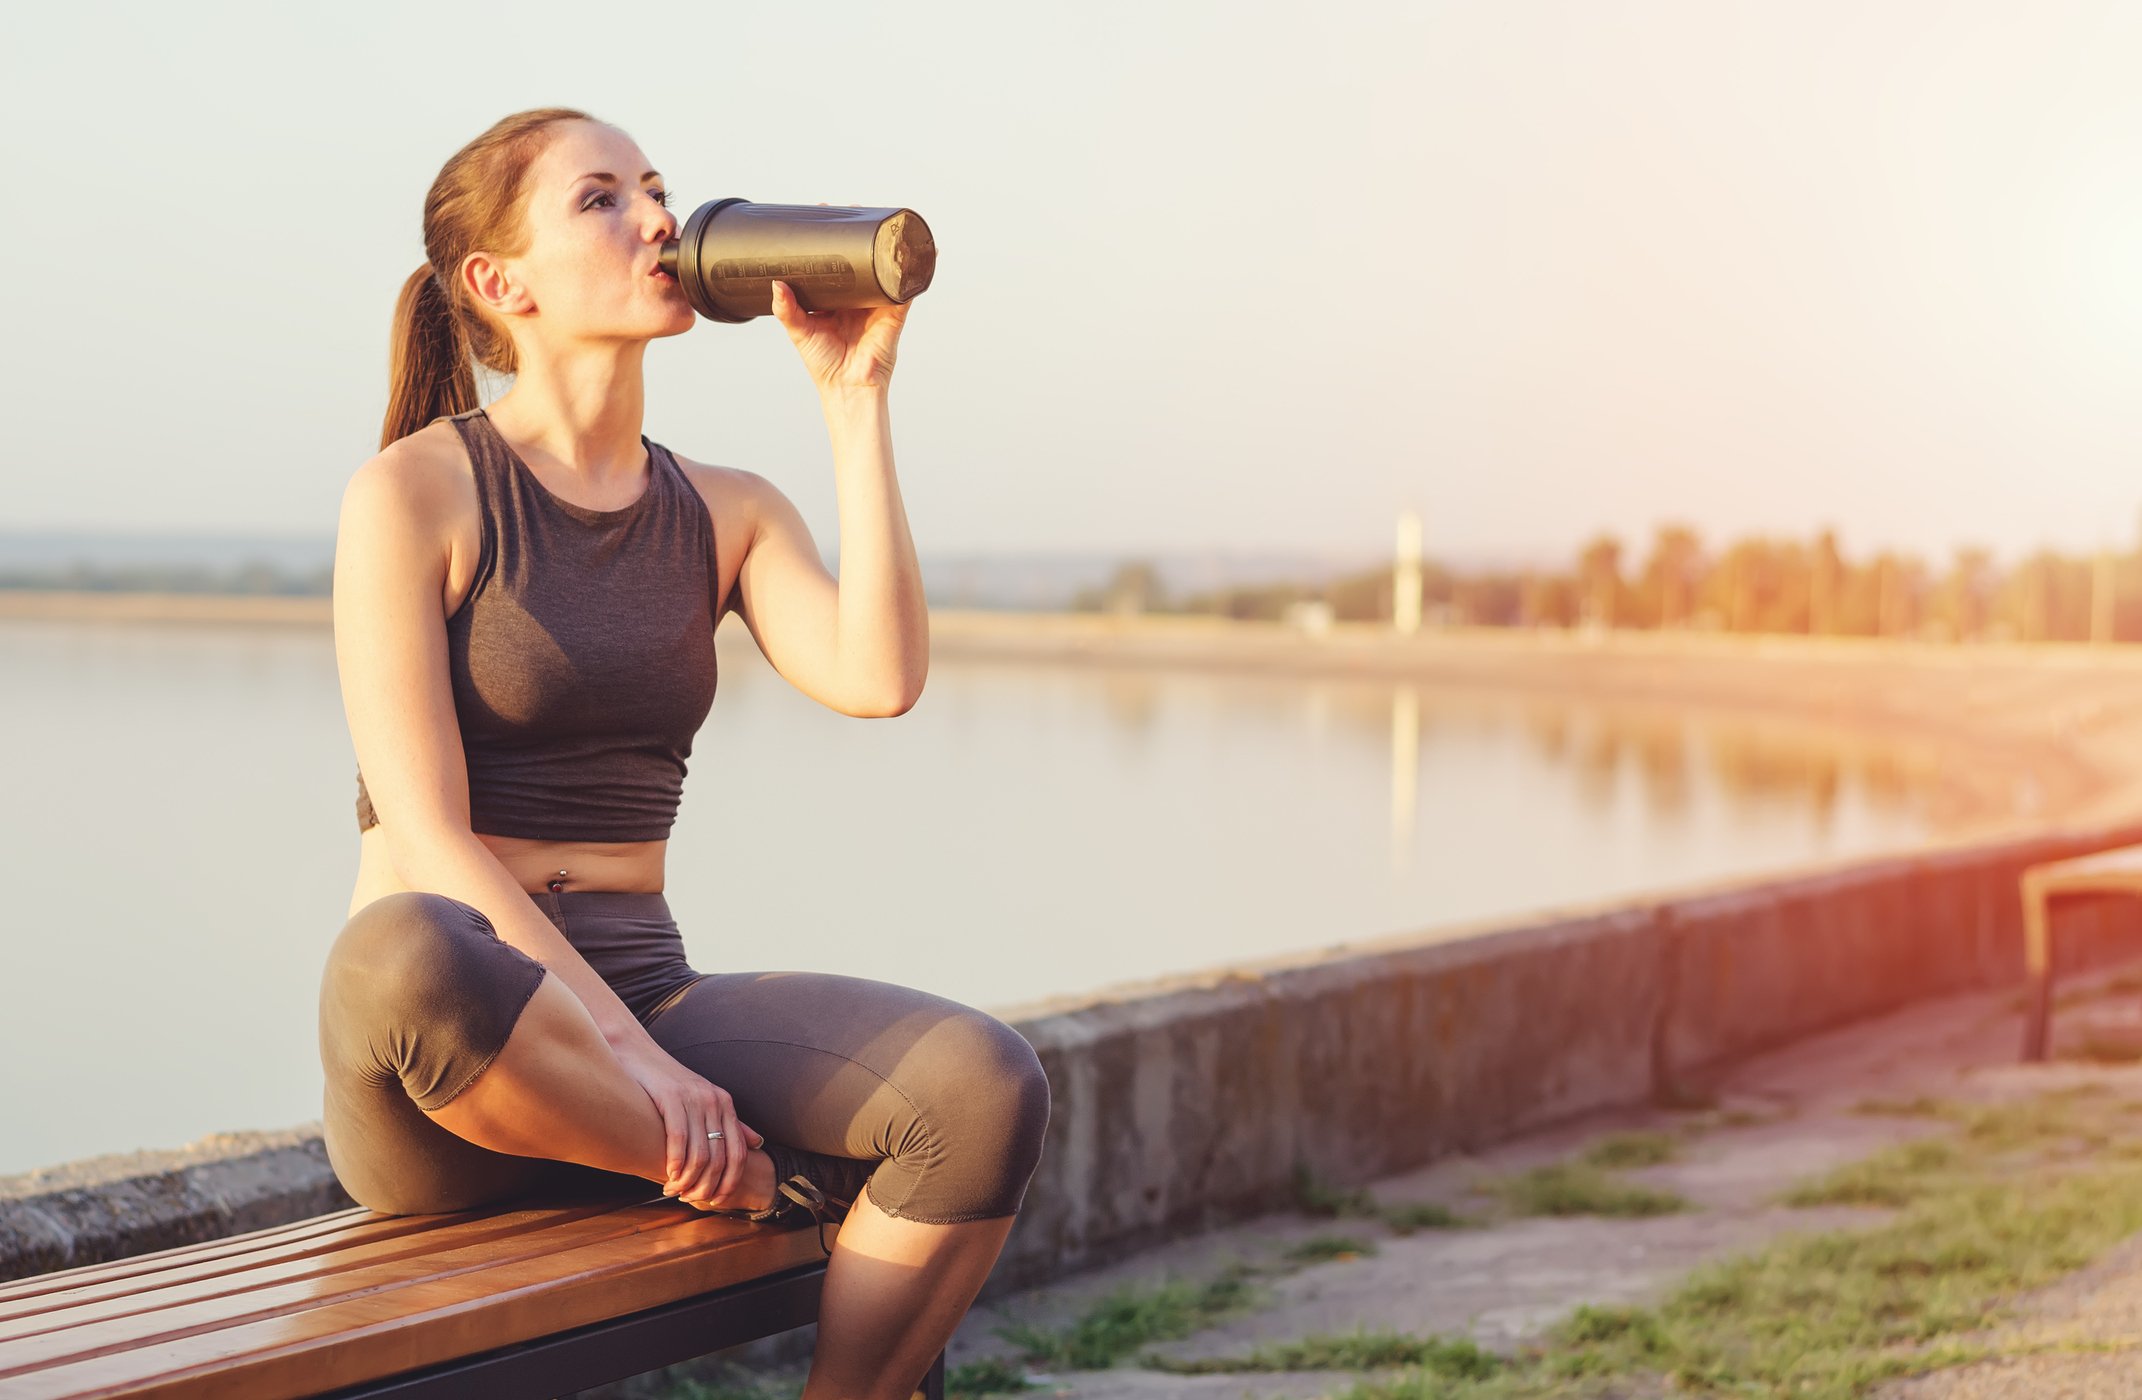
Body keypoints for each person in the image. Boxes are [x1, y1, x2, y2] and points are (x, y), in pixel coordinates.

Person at [318, 106, 1051, 1399]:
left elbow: (878, 678)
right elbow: (428, 840)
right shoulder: (415, 495)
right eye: (600, 199)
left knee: (983, 1085)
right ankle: (749, 1181)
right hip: (464, 1069)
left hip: (650, 1000)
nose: (658, 221)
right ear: (500, 282)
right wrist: (645, 1075)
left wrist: (854, 398)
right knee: (402, 950)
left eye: (656, 190)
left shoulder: (723, 509)